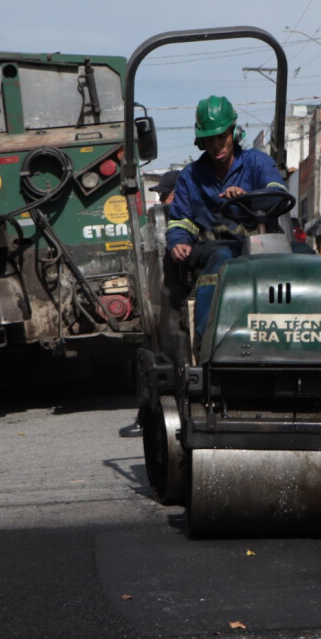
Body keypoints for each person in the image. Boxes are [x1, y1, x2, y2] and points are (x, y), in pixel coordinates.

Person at [165, 95, 288, 340]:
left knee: (305, 254)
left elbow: (278, 194)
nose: (216, 145)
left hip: (261, 246)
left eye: (221, 137)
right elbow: (180, 219)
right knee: (222, 258)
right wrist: (179, 240)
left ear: (233, 133)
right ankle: (208, 338)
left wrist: (248, 197)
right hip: (211, 248)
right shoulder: (191, 176)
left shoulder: (257, 162)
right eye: (209, 139)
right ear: (201, 141)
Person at [118, 169, 180, 439]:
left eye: (165, 195)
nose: (161, 201)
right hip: (166, 297)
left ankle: (147, 416)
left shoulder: (180, 218)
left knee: (154, 351)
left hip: (175, 299)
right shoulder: (168, 220)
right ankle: (146, 415)